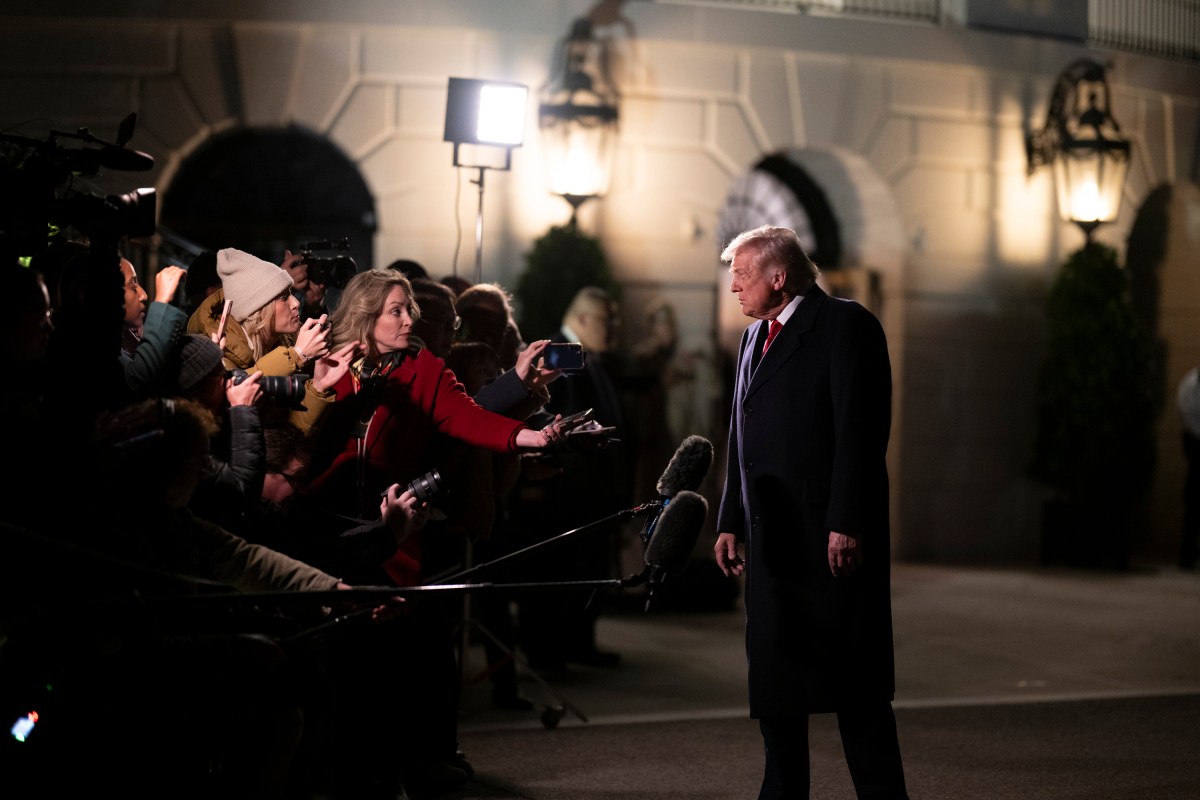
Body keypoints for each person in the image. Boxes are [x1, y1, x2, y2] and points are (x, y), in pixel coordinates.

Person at [713, 225, 908, 800]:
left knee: (855, 692)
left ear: (779, 276)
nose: (733, 288)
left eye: (741, 275)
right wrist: (729, 518)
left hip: (829, 542)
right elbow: (739, 436)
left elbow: (862, 434)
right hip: (772, 542)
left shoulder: (847, 326)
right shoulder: (753, 339)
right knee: (776, 689)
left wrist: (846, 521)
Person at [513, 285, 632, 671]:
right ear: (580, 319)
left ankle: (578, 644)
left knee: (587, 570)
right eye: (606, 319)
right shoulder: (559, 359)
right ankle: (549, 654)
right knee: (558, 573)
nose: (615, 326)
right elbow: (551, 424)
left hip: (591, 493)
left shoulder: (588, 358)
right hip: (565, 492)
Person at [188, 247, 330, 377]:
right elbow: (235, 393)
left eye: (292, 294)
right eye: (284, 297)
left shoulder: (288, 342)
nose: (296, 303)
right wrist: (297, 356)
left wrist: (319, 388)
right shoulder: (220, 355)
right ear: (257, 309)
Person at [1178, 365, 1200, 570]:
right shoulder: (1190, 386)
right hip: (1196, 444)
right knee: (1193, 504)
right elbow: (1188, 417)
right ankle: (1187, 554)